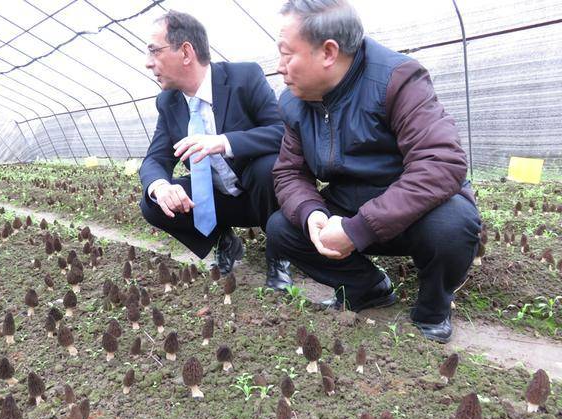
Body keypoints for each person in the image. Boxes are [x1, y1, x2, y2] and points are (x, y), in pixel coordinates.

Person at [266, 0, 481, 343]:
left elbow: (441, 162)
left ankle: (433, 308)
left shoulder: (397, 79)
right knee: (282, 227)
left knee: (452, 225)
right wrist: (312, 213)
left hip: (413, 212)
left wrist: (359, 228)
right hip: (350, 205)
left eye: (287, 54)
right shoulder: (295, 103)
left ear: (328, 52)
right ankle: (368, 288)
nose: (280, 67)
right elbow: (289, 173)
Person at [139, 10, 292, 289]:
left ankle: (280, 257)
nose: (149, 63)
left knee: (268, 167)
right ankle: (224, 240)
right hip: (219, 198)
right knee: (151, 202)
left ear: (186, 52)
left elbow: (283, 131)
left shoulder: (243, 77)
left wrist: (224, 141)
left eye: (154, 52)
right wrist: (161, 186)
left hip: (260, 193)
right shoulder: (169, 102)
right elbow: (155, 158)